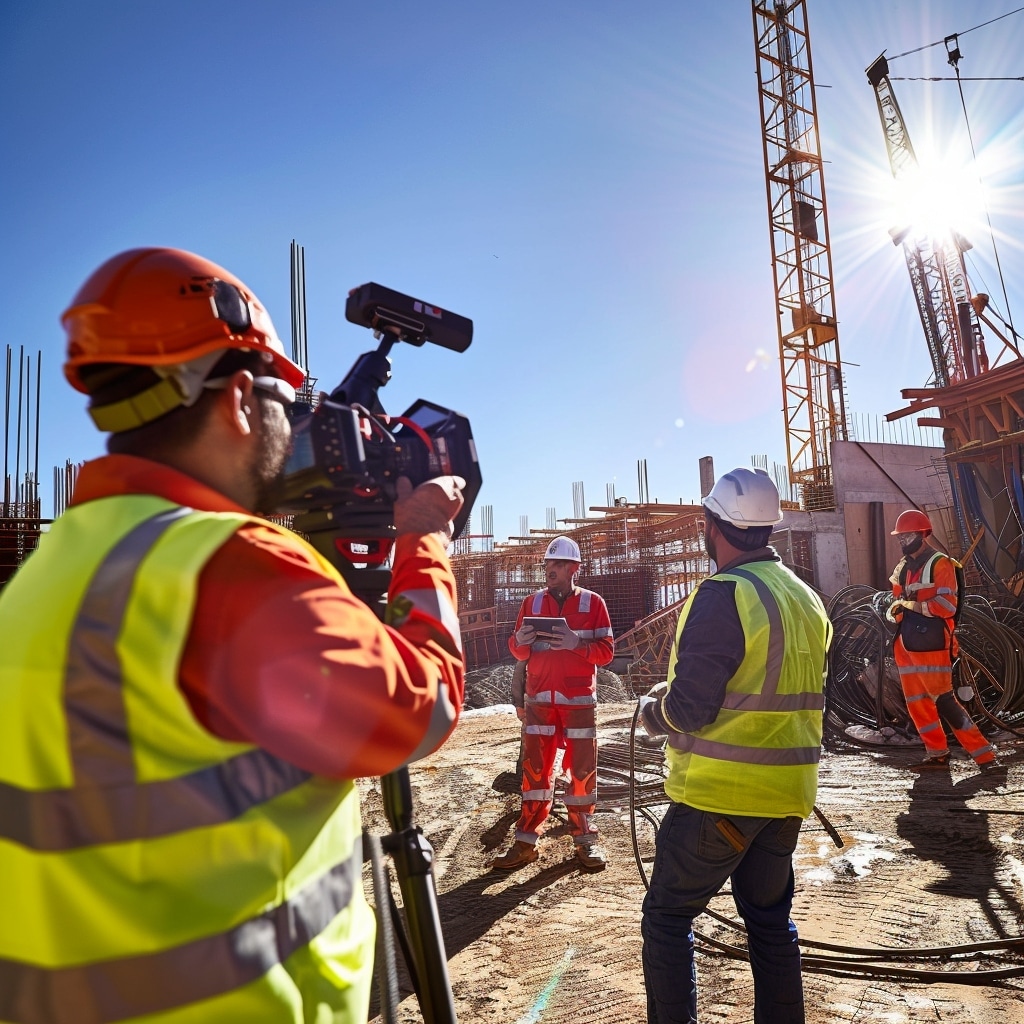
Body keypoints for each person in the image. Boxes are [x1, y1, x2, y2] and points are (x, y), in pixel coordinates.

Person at [0, 247, 466, 1024]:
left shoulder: (47, 578)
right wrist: (424, 540)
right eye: (289, 401)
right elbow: (427, 709)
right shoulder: (228, 566)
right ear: (242, 400)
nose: (299, 425)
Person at [638, 467, 831, 1024]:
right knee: (770, 925)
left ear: (714, 524)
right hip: (788, 797)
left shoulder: (724, 594)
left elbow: (690, 710)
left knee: (669, 918)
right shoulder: (805, 598)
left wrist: (655, 713)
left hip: (720, 795)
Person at [492, 535, 614, 871]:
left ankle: (585, 840)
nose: (551, 569)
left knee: (581, 773)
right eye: (548, 563)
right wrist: (519, 641)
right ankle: (526, 841)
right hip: (540, 702)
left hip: (578, 703)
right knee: (534, 773)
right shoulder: (530, 604)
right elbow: (519, 652)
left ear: (574, 568)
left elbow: (606, 653)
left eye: (559, 564)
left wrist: (576, 643)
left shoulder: (594, 604)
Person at [886, 508, 996, 771]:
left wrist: (909, 605)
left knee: (944, 700)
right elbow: (897, 600)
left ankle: (984, 756)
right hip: (906, 644)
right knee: (917, 704)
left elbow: (946, 606)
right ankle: (937, 754)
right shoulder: (902, 568)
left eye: (908, 535)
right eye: (900, 537)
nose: (903, 541)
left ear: (923, 534)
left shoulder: (941, 563)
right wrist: (895, 610)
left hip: (933, 644)